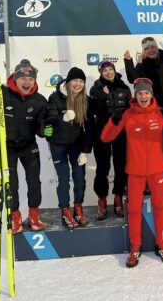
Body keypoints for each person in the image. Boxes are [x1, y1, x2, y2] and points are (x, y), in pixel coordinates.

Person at [101, 78, 163, 268]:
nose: (143, 96)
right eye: (140, 93)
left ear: (151, 94)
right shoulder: (127, 114)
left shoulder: (160, 113)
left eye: (146, 93)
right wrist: (113, 120)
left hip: (157, 170)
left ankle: (162, 245)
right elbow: (106, 138)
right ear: (135, 95)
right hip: (135, 171)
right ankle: (135, 248)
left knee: (160, 208)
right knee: (135, 210)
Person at [0, 59, 47, 234]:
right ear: (15, 78)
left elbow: (41, 130)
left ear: (34, 80)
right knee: (11, 185)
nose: (27, 82)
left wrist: (46, 129)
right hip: (7, 148)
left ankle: (34, 215)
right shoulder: (1, 94)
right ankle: (15, 217)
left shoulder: (39, 100)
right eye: (23, 78)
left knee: (34, 182)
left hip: (29, 146)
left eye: (31, 79)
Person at [45, 67, 94, 230]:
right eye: (75, 80)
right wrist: (63, 118)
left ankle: (78, 208)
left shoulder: (85, 100)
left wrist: (86, 150)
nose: (78, 84)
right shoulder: (55, 97)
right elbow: (50, 119)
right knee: (64, 179)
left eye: (81, 81)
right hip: (58, 144)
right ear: (68, 82)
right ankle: (65, 211)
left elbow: (90, 127)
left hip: (76, 145)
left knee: (80, 177)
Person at [124, 37, 163, 179]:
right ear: (144, 52)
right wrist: (129, 61)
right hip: (151, 109)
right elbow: (133, 79)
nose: (150, 50)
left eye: (152, 47)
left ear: (156, 48)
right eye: (147, 48)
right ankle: (152, 169)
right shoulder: (142, 65)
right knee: (153, 141)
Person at [89, 61, 131, 220]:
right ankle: (102, 200)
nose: (108, 72)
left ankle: (118, 197)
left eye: (110, 69)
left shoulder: (124, 87)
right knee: (102, 168)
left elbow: (130, 111)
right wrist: (103, 95)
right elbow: (93, 110)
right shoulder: (95, 88)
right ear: (101, 73)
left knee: (121, 166)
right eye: (105, 70)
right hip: (102, 133)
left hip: (121, 133)